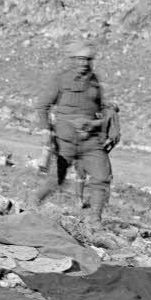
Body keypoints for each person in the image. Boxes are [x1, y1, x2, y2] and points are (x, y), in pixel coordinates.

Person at [33, 41, 118, 222]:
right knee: (55, 180)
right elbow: (42, 106)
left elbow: (99, 109)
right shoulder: (60, 79)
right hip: (65, 142)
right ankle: (30, 206)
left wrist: (107, 117)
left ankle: (95, 220)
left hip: (90, 141)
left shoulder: (94, 82)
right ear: (72, 60)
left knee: (102, 177)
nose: (84, 63)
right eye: (80, 59)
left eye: (88, 59)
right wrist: (46, 131)